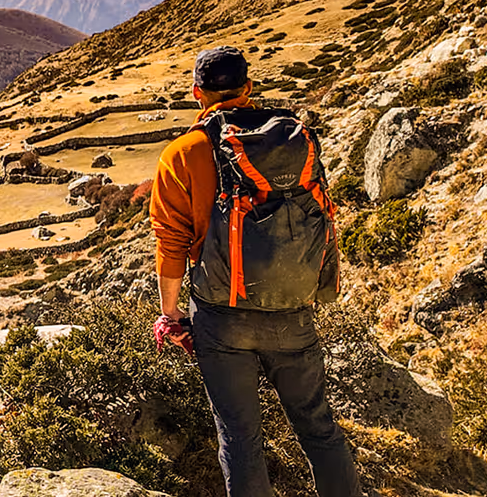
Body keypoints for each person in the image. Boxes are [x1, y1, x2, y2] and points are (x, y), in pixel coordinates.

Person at [149, 45, 361, 496]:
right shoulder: (293, 139)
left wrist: (171, 316)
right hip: (292, 307)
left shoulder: (183, 153)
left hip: (221, 315)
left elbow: (170, 244)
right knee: (319, 429)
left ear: (196, 94)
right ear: (248, 89)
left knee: (240, 439)